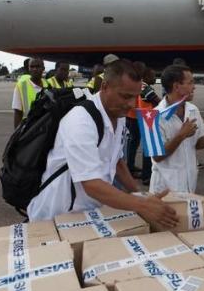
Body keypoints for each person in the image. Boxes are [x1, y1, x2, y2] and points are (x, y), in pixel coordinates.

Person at [27, 60, 179, 228]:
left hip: (88, 213)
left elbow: (117, 161)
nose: (131, 105)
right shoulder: (81, 121)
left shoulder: (117, 115)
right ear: (105, 87)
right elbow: (91, 184)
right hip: (58, 217)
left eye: (135, 97)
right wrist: (142, 205)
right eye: (125, 96)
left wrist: (140, 194)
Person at [150, 64, 204, 193]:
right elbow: (156, 156)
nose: (194, 87)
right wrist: (181, 135)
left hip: (189, 186)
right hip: (164, 191)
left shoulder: (193, 110)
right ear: (176, 86)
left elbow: (198, 144)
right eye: (190, 83)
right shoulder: (152, 116)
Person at [138, 66, 161, 185]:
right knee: (150, 149)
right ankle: (147, 176)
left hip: (145, 115)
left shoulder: (142, 84)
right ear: (146, 76)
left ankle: (145, 174)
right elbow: (156, 99)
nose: (155, 78)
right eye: (153, 76)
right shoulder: (144, 86)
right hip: (148, 116)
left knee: (147, 149)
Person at [12, 58, 48, 128]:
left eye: (37, 66)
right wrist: (17, 135)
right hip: (29, 128)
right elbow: (18, 112)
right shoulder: (21, 86)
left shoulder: (48, 84)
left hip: (45, 127)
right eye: (32, 67)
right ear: (28, 68)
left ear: (43, 68)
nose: (34, 69)